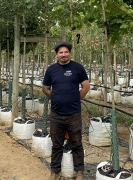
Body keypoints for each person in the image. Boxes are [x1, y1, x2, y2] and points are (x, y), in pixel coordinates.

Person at [42, 41, 90, 180]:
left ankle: (79, 172)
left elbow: (86, 86)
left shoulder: (78, 68)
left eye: (66, 52)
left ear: (69, 53)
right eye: (61, 52)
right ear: (56, 55)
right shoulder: (51, 70)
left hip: (73, 114)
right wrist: (55, 98)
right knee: (56, 144)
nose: (64, 55)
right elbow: (45, 88)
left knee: (77, 143)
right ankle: (55, 172)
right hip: (56, 114)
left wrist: (75, 98)